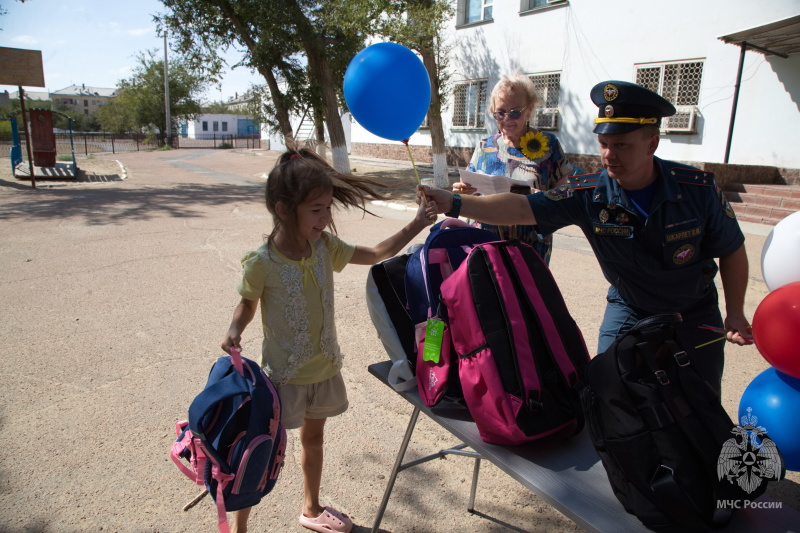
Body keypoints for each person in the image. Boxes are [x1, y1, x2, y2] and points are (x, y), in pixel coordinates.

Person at [422, 80, 752, 395]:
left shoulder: (698, 189)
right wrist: (455, 202)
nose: (609, 155)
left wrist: (735, 310)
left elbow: (732, 249)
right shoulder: (588, 193)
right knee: (609, 390)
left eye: (622, 145)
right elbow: (523, 208)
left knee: (700, 400)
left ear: (652, 143)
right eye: (604, 144)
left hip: (694, 311)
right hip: (630, 306)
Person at [221, 146, 437, 533]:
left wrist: (418, 224)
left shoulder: (325, 248)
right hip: (282, 377)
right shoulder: (262, 262)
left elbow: (374, 254)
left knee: (314, 441)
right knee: (259, 452)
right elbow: (246, 304)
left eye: (328, 207)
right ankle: (239, 527)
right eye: (316, 209)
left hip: (323, 369)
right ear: (285, 209)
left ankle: (311, 506)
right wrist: (235, 330)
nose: (326, 217)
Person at [454, 71, 574, 264]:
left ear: (529, 110)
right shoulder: (485, 147)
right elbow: (468, 193)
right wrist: (462, 191)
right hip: (486, 244)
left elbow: (565, 198)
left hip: (530, 247)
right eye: (500, 112)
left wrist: (540, 198)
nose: (507, 119)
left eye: (515, 112)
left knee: (527, 293)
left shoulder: (549, 145)